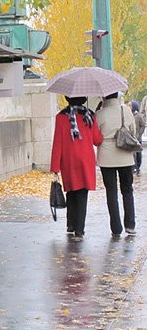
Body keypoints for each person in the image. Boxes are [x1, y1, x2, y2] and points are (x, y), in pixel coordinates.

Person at [50, 96, 103, 241]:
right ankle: (79, 230)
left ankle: (71, 224)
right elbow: (97, 140)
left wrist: (55, 167)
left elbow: (57, 143)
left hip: (68, 160)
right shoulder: (90, 115)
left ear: (67, 99)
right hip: (85, 159)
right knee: (82, 194)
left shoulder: (61, 117)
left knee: (71, 190)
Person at [96, 92, 137, 237]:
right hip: (125, 155)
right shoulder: (125, 110)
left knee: (111, 192)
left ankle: (116, 227)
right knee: (127, 190)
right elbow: (133, 131)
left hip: (106, 157)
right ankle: (130, 225)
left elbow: (96, 137)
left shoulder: (100, 114)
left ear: (104, 97)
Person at [130, 100, 145, 174]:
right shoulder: (129, 115)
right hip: (132, 138)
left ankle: (138, 167)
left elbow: (143, 125)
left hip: (138, 138)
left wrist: (139, 134)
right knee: (133, 153)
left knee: (138, 153)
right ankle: (134, 167)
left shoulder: (139, 116)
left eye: (130, 105)